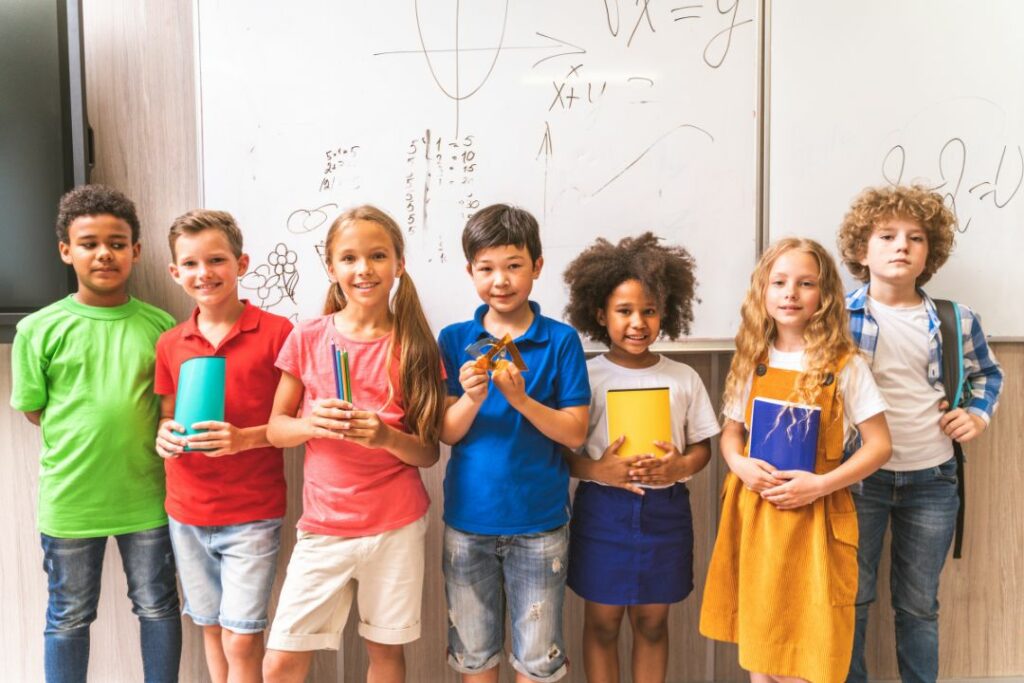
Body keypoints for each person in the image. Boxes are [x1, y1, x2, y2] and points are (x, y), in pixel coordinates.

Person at [261, 205, 445, 683]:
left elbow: (428, 452)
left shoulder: (416, 345)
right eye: (349, 258)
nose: (364, 269)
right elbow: (276, 429)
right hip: (325, 526)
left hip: (396, 525)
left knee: (384, 654)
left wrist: (385, 436)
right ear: (331, 268)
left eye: (378, 256)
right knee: (281, 660)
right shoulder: (308, 337)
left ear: (399, 264)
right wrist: (311, 423)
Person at [10, 184, 181, 683]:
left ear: (136, 252)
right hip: (71, 501)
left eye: (117, 242)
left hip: (147, 497)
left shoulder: (161, 326)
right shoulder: (38, 329)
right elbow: (35, 411)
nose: (104, 253)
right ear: (66, 250)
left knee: (157, 606)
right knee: (68, 615)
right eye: (88, 243)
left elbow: (165, 406)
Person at [700, 237, 892, 683]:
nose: (791, 293)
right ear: (762, 292)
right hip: (757, 515)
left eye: (806, 284)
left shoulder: (847, 365)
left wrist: (821, 485)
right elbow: (732, 434)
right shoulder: (752, 360)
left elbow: (879, 445)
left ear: (823, 297)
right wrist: (740, 463)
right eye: (780, 282)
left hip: (816, 519)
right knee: (761, 654)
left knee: (807, 656)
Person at [837, 185, 1003, 683]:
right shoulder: (836, 318)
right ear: (861, 250)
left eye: (916, 238)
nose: (901, 246)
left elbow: (986, 375)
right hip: (858, 479)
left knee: (918, 606)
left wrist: (976, 416)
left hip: (932, 480)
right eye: (886, 235)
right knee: (852, 600)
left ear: (931, 253)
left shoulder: (956, 319)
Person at [438, 204, 591, 682]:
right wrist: (470, 397)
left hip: (541, 525)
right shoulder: (454, 338)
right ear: (470, 272)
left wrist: (522, 401)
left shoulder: (561, 341)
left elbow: (575, 432)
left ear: (537, 267)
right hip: (468, 522)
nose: (499, 280)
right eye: (486, 268)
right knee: (474, 656)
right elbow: (445, 431)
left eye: (513, 266)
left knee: (538, 659)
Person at [561, 233, 720, 683]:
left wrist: (680, 467)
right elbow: (562, 452)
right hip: (603, 512)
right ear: (599, 314)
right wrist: (598, 470)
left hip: (665, 513)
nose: (637, 322)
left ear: (665, 312)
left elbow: (704, 446)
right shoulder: (585, 375)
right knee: (603, 623)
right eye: (624, 311)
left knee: (652, 622)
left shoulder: (683, 377)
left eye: (649, 311)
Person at [154, 210, 293, 683]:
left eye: (216, 260)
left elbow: (293, 422)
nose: (204, 273)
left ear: (241, 263)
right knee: (210, 627)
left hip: (252, 509)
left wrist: (243, 439)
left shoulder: (278, 334)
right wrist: (165, 435)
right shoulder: (171, 342)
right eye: (190, 264)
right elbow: (167, 415)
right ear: (175, 273)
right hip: (186, 509)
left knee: (242, 634)